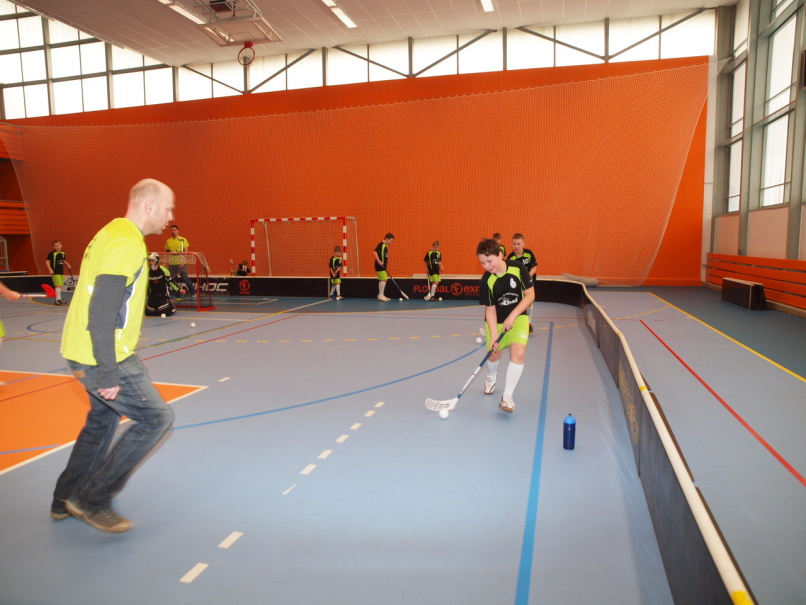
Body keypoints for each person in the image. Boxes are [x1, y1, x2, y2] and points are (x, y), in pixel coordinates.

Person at [51, 179, 176, 534]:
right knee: (156, 418)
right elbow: (103, 309)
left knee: (101, 422)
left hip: (84, 349)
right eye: (167, 208)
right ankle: (92, 499)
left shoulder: (111, 232)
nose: (170, 217)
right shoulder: (126, 242)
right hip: (104, 355)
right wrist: (107, 370)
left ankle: (64, 498)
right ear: (149, 205)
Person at [477, 237, 535, 414]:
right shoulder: (486, 280)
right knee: (494, 354)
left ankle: (507, 396)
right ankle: (491, 376)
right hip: (496, 319)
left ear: (500, 254)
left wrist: (513, 316)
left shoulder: (518, 268)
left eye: (489, 261)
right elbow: (490, 310)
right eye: (482, 263)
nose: (487, 266)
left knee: (518, 354)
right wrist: (494, 335)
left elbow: (530, 295)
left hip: (518, 317)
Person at [507, 233, 538, 334]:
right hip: (517, 283)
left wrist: (526, 277)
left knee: (529, 302)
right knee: (518, 302)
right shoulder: (510, 257)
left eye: (518, 244)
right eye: (514, 244)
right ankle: (517, 322)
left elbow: (534, 268)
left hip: (529, 281)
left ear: (523, 244)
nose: (516, 246)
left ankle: (529, 323)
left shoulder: (529, 253)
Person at [164, 224, 195, 296]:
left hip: (181, 263)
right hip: (172, 264)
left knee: (185, 278)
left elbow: (186, 251)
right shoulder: (168, 241)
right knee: (174, 281)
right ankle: (177, 295)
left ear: (178, 231)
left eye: (174, 230)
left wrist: (183, 260)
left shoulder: (182, 240)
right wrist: (165, 262)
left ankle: (193, 293)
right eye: (171, 230)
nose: (172, 231)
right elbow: (166, 252)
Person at [46, 240, 72, 306]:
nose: (57, 247)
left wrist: (68, 264)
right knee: (58, 285)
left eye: (58, 245)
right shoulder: (52, 253)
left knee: (60, 285)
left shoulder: (62, 253)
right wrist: (50, 269)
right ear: (53, 247)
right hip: (55, 271)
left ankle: (59, 299)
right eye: (56, 246)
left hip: (61, 271)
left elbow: (63, 260)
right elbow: (47, 261)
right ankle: (57, 300)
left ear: (61, 245)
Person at [373, 233, 394, 302]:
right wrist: (379, 261)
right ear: (386, 239)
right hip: (379, 265)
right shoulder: (381, 244)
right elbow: (374, 252)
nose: (391, 243)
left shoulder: (385, 246)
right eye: (390, 241)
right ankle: (380, 295)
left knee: (382, 280)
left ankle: (381, 295)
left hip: (383, 266)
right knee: (384, 279)